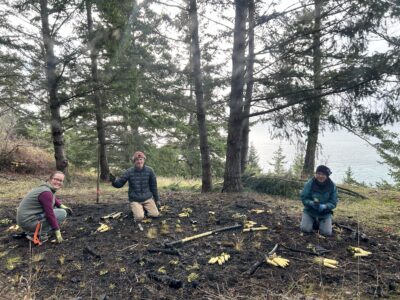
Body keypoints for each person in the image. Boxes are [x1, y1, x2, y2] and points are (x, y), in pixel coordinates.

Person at [16, 171, 72, 243]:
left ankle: (31, 231)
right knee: (61, 213)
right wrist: (58, 234)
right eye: (56, 179)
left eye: (60, 180)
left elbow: (52, 199)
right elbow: (50, 214)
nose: (58, 182)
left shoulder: (44, 187)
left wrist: (62, 206)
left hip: (26, 220)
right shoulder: (46, 193)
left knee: (58, 210)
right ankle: (38, 235)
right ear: (50, 179)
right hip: (28, 222)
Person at [109, 151, 160, 225]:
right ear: (134, 161)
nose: (139, 161)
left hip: (147, 198)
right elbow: (120, 184)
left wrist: (157, 199)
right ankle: (136, 209)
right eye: (137, 160)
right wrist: (114, 181)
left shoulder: (150, 171)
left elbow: (154, 187)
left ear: (144, 160)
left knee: (155, 214)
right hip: (135, 199)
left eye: (141, 159)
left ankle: (143, 209)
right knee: (139, 217)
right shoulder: (129, 171)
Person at [300, 165, 338, 236]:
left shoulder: (332, 186)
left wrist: (325, 206)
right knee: (305, 229)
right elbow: (304, 198)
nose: (320, 176)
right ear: (316, 174)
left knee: (326, 233)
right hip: (310, 211)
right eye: (318, 174)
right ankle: (312, 221)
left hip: (325, 213)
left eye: (323, 174)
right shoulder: (310, 183)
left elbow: (333, 202)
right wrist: (310, 203)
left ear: (327, 176)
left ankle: (320, 222)